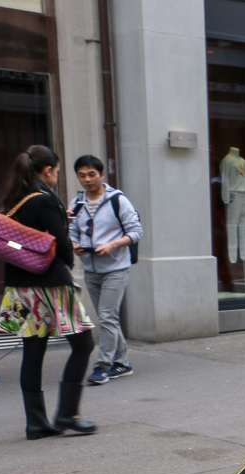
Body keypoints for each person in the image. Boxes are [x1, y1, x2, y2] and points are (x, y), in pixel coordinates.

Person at [0, 145, 97, 439]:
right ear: (49, 170)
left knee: (33, 349)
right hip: (50, 285)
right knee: (83, 345)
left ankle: (36, 423)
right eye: (58, 171)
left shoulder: (14, 200)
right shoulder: (45, 200)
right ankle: (68, 415)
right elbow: (63, 246)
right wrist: (67, 255)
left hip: (19, 287)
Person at [68, 155, 141, 385]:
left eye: (91, 174)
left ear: (101, 174)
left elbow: (136, 232)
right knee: (107, 318)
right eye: (82, 175)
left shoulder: (118, 200)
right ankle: (123, 363)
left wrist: (112, 245)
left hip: (116, 268)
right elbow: (71, 232)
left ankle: (103, 365)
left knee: (108, 316)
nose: (87, 180)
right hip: (90, 268)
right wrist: (75, 246)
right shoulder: (77, 203)